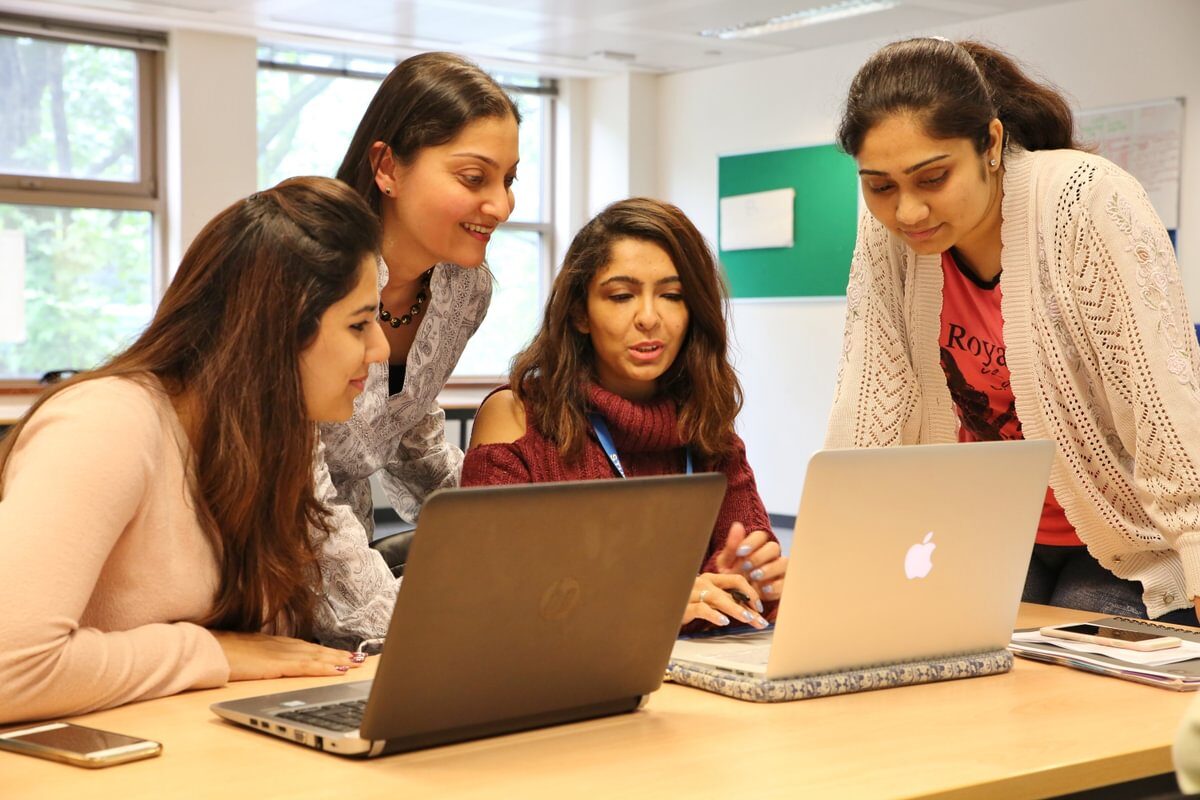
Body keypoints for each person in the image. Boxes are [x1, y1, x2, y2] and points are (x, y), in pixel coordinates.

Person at [827, 37, 1200, 624]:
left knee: (1075, 686)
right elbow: (872, 396)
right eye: (880, 186)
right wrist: (845, 549)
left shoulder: (1084, 199)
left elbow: (1161, 397)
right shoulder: (893, 239)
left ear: (992, 143)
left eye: (933, 178)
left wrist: (1197, 547)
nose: (908, 213)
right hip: (983, 528)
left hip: (1122, 536)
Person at [0, 177, 391, 724]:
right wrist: (212, 653)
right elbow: (10, 670)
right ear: (276, 328)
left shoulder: (274, 437)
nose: (380, 349)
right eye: (359, 323)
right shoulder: (106, 423)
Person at [462, 198, 787, 631]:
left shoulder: (705, 422)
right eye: (621, 296)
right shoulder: (518, 417)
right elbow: (496, 599)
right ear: (580, 312)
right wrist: (652, 602)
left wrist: (749, 585)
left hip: (693, 681)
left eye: (672, 295)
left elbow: (751, 597)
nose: (649, 318)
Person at [310, 52, 522, 642]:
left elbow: (406, 432)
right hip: (248, 560)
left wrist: (519, 527)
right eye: (474, 178)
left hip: (341, 554)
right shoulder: (307, 273)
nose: (501, 206)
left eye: (508, 180)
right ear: (387, 168)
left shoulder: (462, 286)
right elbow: (294, 489)